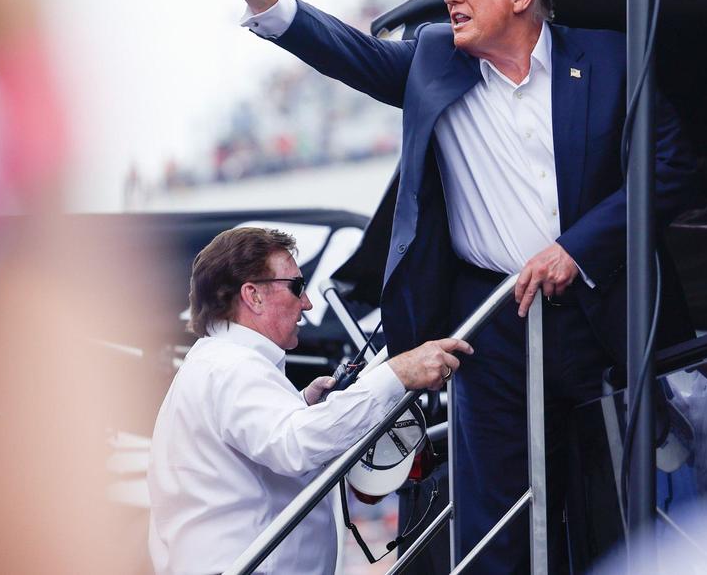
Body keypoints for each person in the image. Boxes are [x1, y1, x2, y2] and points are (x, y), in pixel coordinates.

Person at [192, 0, 697, 572]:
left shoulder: (610, 56)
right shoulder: (433, 58)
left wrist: (577, 246)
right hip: (490, 327)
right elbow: (352, 54)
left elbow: (672, 167)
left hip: (602, 315)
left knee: (620, 497)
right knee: (497, 518)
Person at [146, 226, 472, 574]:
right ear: (253, 295)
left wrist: (303, 405)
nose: (307, 302)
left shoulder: (215, 362)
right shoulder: (232, 368)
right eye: (297, 287)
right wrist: (397, 374)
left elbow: (262, 440)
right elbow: (294, 445)